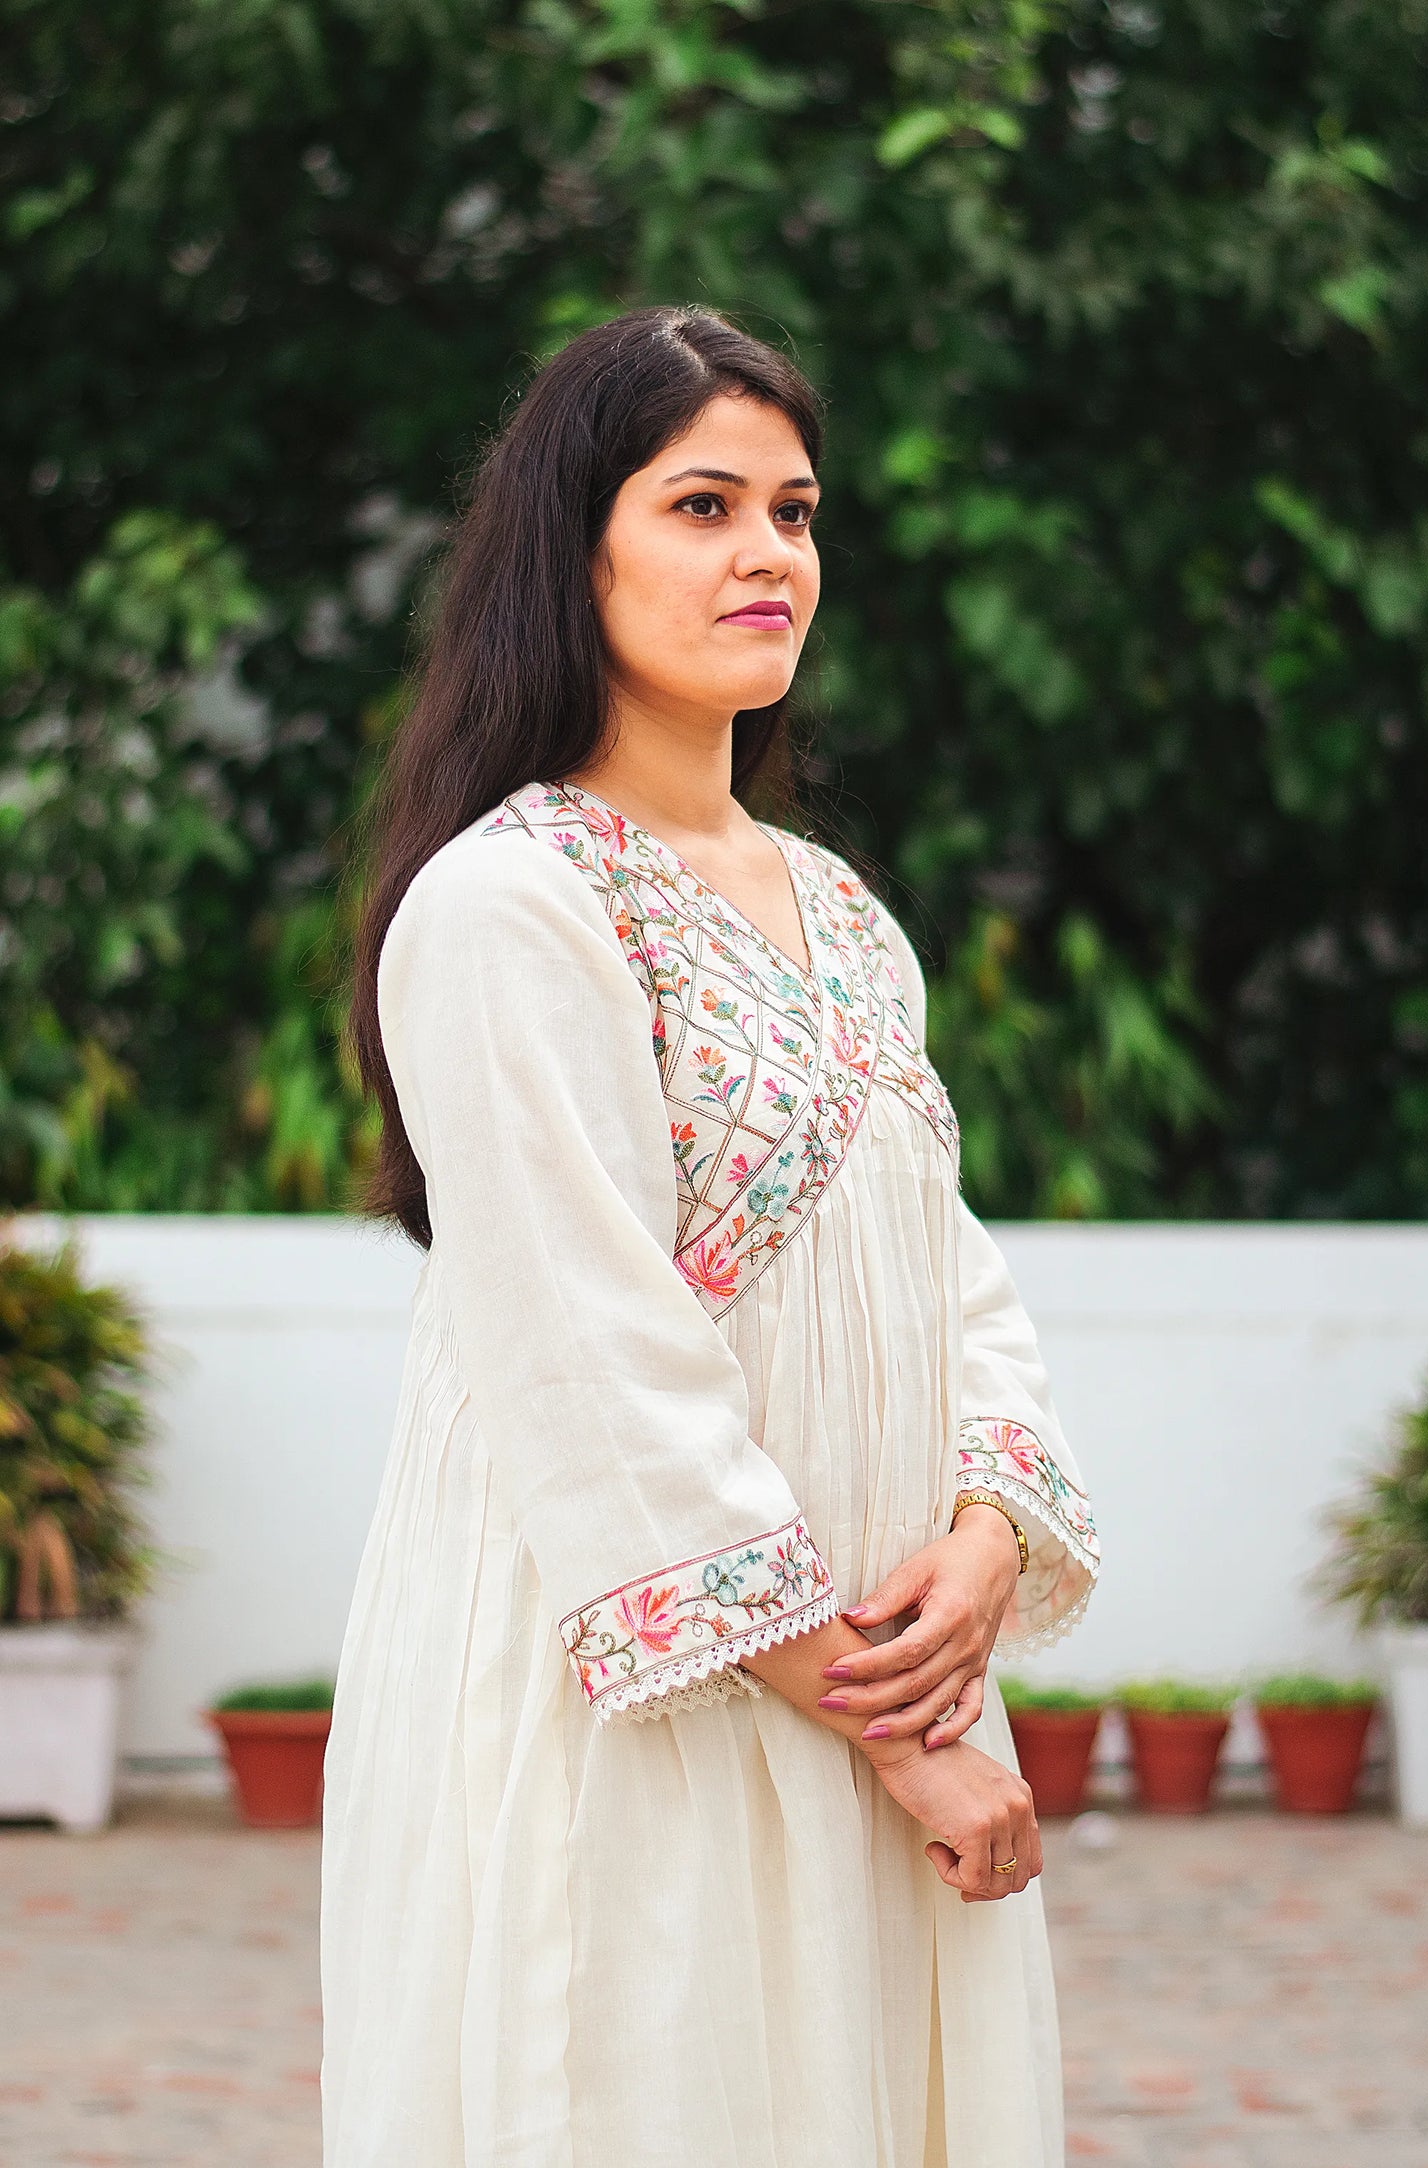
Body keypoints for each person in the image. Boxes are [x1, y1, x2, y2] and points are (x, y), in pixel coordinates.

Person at [321, 304, 1099, 2167]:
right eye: (700, 506)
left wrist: (991, 1533)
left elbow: (944, 1268)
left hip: (874, 1686)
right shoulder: (508, 906)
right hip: (640, 1708)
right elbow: (593, 1367)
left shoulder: (833, 906)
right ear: (568, 551)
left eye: (797, 510)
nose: (767, 555)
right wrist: (898, 1733)